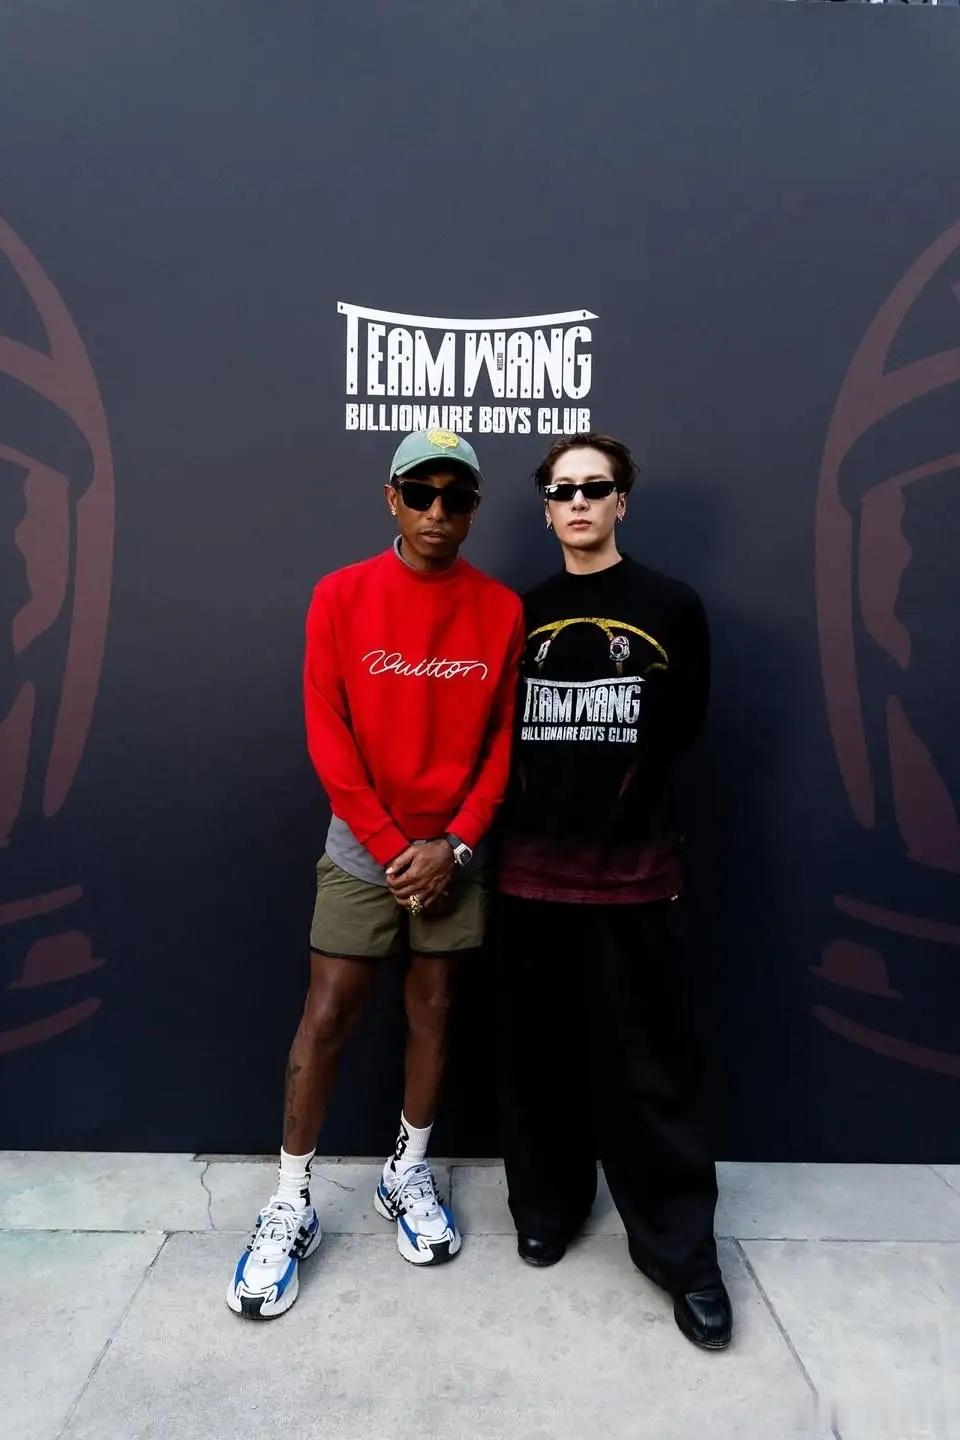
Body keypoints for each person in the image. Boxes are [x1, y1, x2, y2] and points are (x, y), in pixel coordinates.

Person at [226, 428, 523, 1320]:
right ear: (391, 497)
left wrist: (454, 844)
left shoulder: (501, 609)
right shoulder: (340, 595)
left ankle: (407, 1172)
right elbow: (328, 733)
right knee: (326, 1018)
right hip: (367, 850)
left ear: (473, 509)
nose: (438, 511)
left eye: (456, 497)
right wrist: (395, 845)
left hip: (455, 853)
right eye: (421, 493)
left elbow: (503, 745)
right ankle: (291, 1200)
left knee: (434, 1012)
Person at [496, 431, 733, 1350]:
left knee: (651, 1071)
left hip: (636, 876)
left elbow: (686, 727)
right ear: (547, 507)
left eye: (595, 487)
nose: (579, 503)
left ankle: (682, 1254)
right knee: (538, 1060)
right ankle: (546, 1208)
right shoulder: (520, 613)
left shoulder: (672, 605)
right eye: (563, 490)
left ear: (622, 501)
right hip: (530, 877)